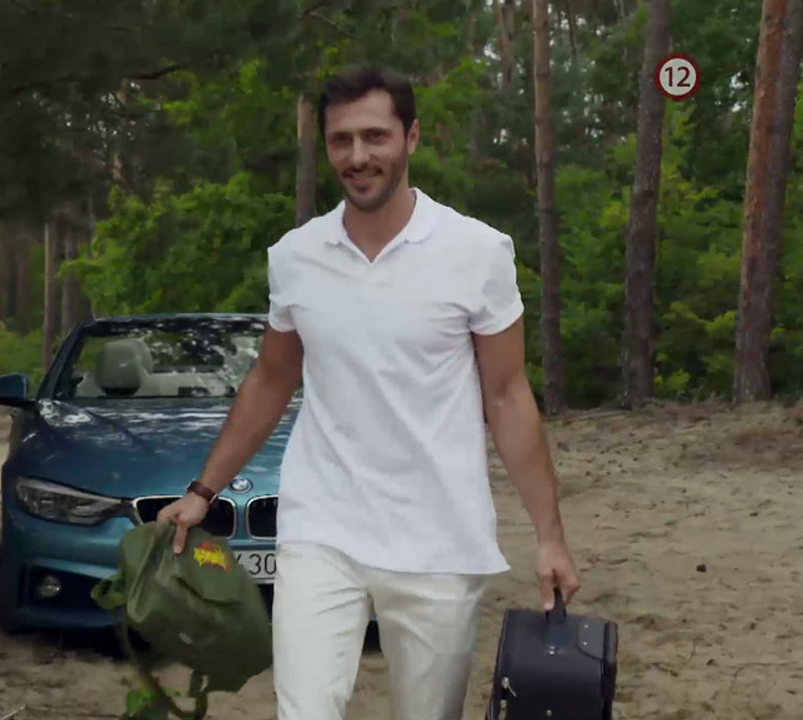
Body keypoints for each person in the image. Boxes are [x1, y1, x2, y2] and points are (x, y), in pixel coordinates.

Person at [155, 65, 582, 720]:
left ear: (411, 137)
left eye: (375, 136)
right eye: (341, 140)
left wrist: (549, 537)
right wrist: (202, 491)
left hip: (441, 539)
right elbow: (271, 378)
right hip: (322, 529)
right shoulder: (296, 256)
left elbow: (506, 394)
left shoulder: (477, 251)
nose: (358, 156)